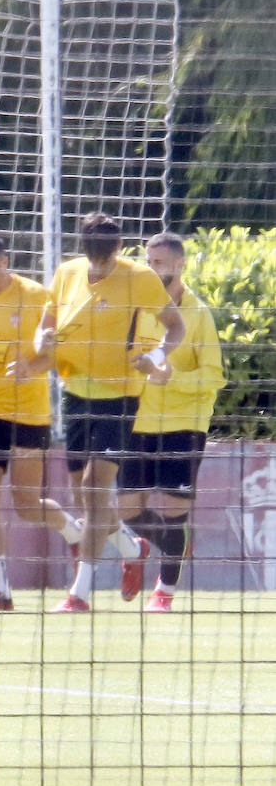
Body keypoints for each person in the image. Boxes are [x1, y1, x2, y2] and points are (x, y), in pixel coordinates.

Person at [36, 212, 184, 612]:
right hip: (74, 393)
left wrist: (152, 356)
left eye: (107, 256)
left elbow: (176, 327)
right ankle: (130, 548)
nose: (100, 264)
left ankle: (79, 591)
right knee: (85, 497)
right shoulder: (67, 273)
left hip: (119, 396)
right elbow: (44, 328)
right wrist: (42, 340)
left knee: (96, 487)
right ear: (83, 249)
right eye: (93, 256)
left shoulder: (139, 277)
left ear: (119, 248)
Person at [0, 231, 84, 612]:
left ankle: (74, 533)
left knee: (25, 504)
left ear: (4, 261)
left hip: (29, 412)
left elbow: (60, 355)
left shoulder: (37, 297)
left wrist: (32, 367)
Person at [116, 232, 225, 612]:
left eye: (159, 262)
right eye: (148, 261)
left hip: (184, 424)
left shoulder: (199, 314)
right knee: (126, 507)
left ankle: (165, 589)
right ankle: (157, 544)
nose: (151, 268)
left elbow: (214, 378)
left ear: (180, 265)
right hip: (139, 422)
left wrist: (169, 378)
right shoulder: (141, 308)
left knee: (176, 508)